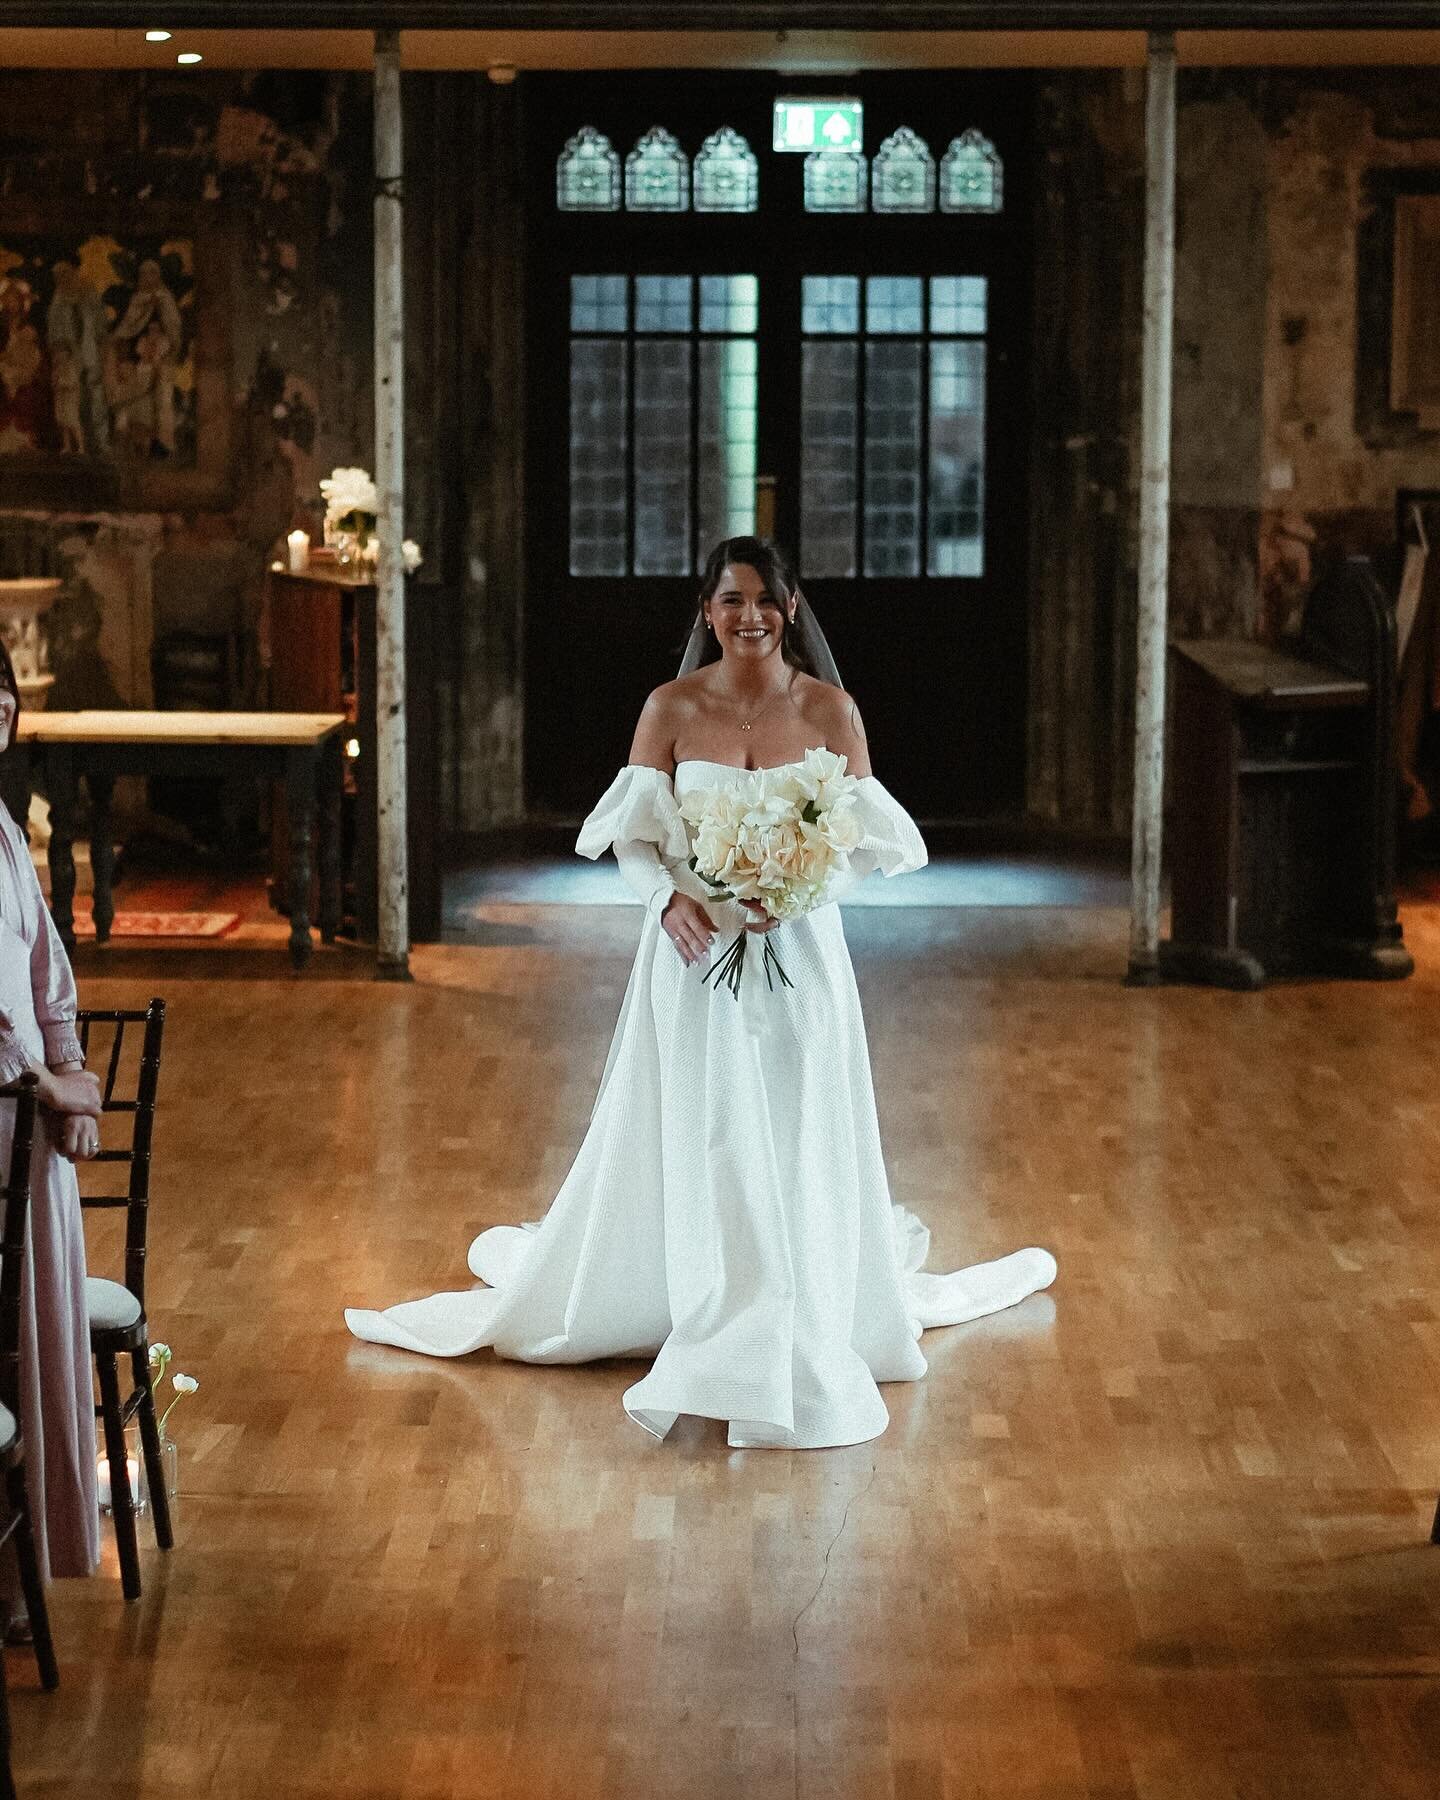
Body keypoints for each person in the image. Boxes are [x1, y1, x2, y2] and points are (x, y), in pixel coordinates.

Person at [347, 538, 1057, 1449]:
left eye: (765, 599)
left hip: (800, 954)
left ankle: (796, 1301)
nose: (748, 615)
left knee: (796, 1121)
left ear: (792, 608)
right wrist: (668, 898)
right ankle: (710, 1300)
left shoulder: (831, 710)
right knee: (707, 1127)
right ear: (705, 613)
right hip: (689, 957)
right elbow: (636, 837)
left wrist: (797, 891)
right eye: (730, 600)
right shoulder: (670, 708)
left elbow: (858, 844)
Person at [0, 640, 103, 1626]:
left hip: (27, 1123)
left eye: (1, 692)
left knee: (33, 1328)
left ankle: (27, 1559)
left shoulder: (0, 826)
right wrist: (28, 1073)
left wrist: (64, 1071)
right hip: (2, 1106)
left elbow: (45, 970)